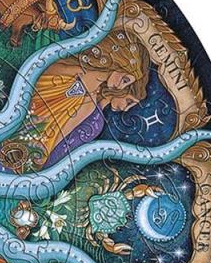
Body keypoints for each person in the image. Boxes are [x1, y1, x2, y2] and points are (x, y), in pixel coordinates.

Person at [17, 29, 150, 167]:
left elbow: (62, 130)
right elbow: (33, 83)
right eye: (125, 80)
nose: (121, 87)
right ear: (119, 64)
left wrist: (46, 150)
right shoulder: (72, 68)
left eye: (126, 84)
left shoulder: (90, 102)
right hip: (21, 114)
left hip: (29, 136)